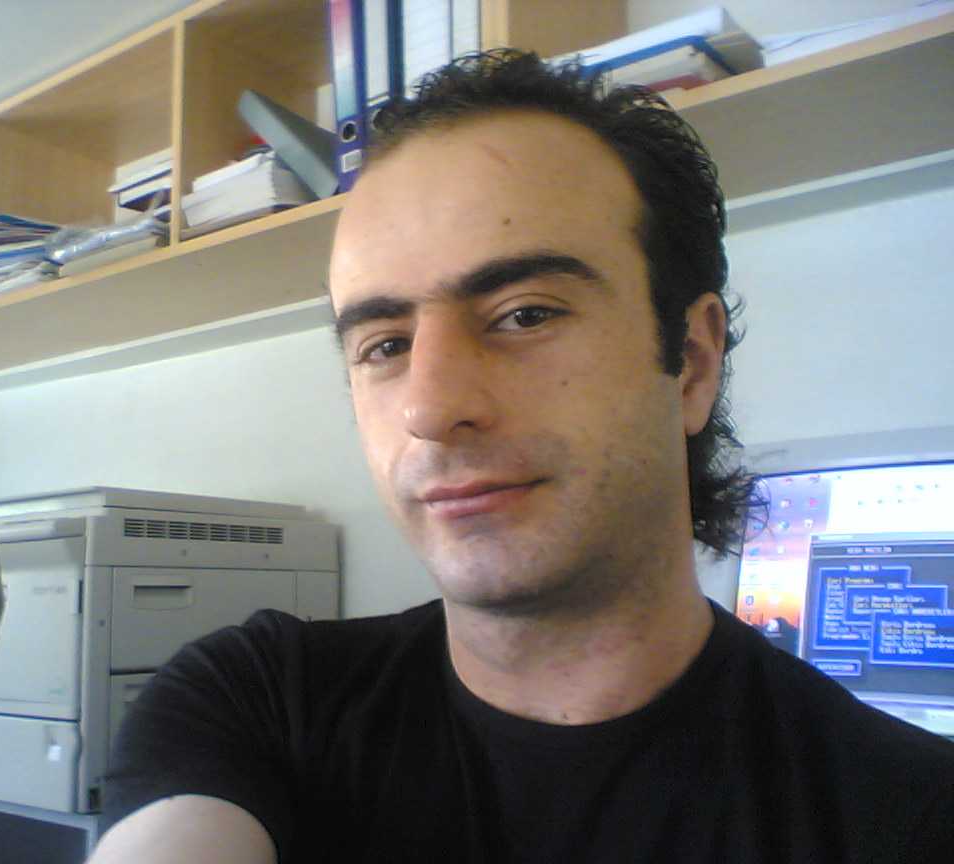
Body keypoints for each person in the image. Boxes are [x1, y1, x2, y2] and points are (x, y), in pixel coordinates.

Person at [88, 50, 954, 863]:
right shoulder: (250, 703)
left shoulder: (906, 809)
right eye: (385, 345)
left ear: (690, 362)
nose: (430, 410)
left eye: (525, 314)